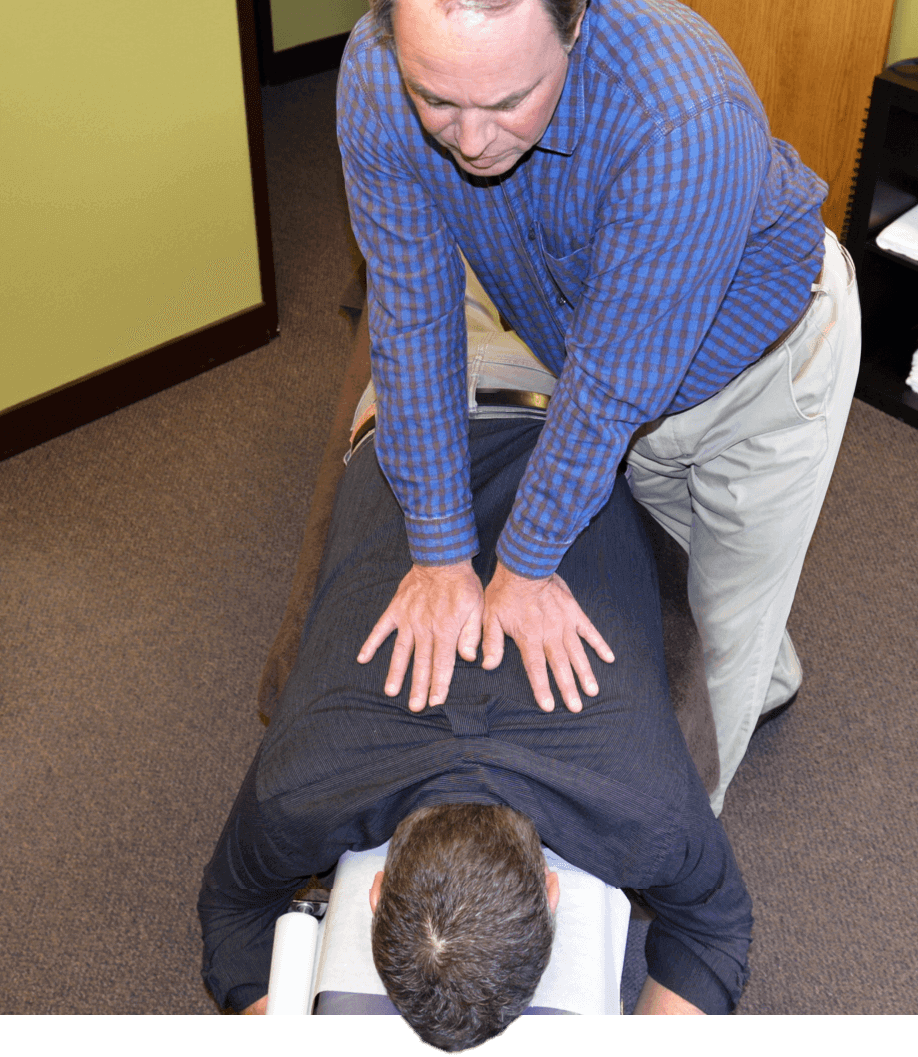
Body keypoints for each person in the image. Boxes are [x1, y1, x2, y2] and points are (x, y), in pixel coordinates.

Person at [336, 0, 862, 814]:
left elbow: (612, 388)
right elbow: (411, 316)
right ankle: (757, 621)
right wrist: (442, 555)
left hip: (763, 373)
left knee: (722, 638)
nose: (468, 138)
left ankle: (663, 862)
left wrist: (523, 565)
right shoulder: (377, 72)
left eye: (506, 101)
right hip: (592, 346)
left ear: (575, 25)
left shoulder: (681, 110)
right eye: (436, 99)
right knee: (680, 554)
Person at [197, 283, 753, 1035]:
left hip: (550, 394)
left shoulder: (644, 802)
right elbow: (229, 912)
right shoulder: (302, 786)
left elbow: (717, 934)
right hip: (523, 402)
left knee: (460, 224)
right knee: (474, 215)